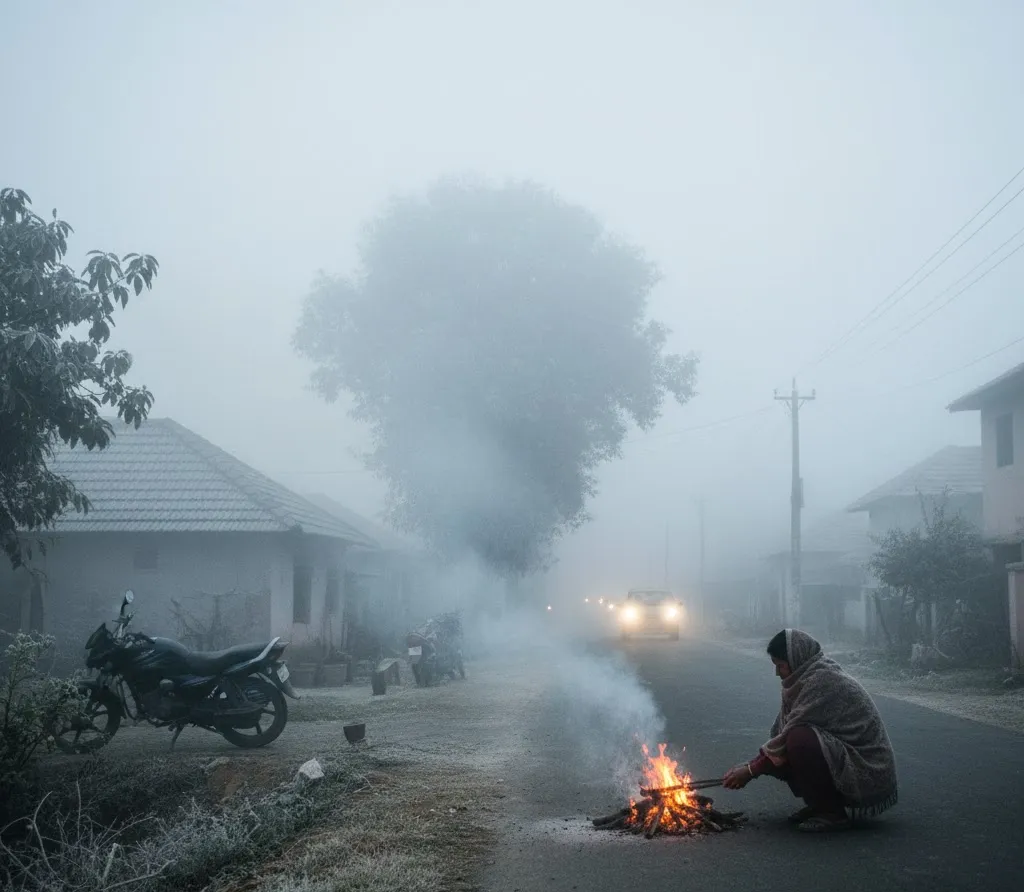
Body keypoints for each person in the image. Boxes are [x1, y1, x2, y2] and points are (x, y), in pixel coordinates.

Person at [722, 628, 898, 833]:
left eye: (781, 666)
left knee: (799, 739)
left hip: (866, 764)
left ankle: (831, 813)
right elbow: (779, 736)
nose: (777, 672)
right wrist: (752, 765)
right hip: (843, 753)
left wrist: (751, 770)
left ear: (797, 659)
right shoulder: (800, 678)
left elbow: (788, 735)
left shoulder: (822, 679)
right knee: (787, 745)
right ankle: (819, 805)